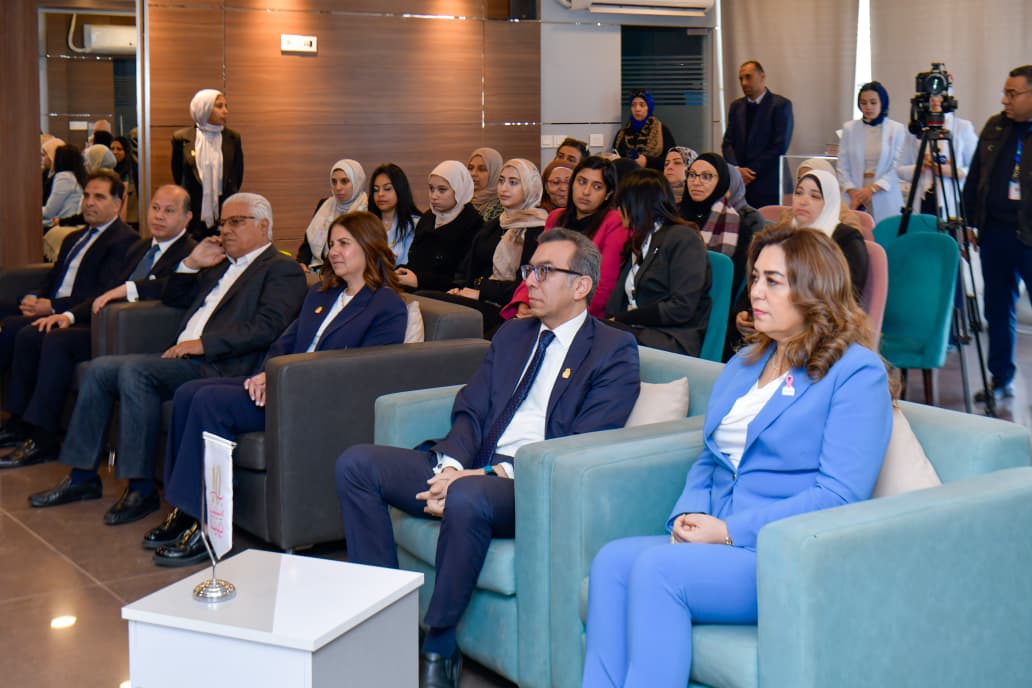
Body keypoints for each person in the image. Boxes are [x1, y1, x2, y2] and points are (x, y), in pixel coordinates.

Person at [582, 224, 893, 688]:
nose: (756, 292)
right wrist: (688, 514)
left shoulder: (855, 371)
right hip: (719, 537)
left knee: (657, 571)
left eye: (773, 281)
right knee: (611, 562)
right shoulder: (745, 363)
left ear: (814, 289)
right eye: (756, 278)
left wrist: (729, 532)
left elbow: (840, 494)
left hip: (779, 551)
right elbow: (711, 458)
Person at [336, 228, 641, 688]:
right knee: (357, 465)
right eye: (530, 269)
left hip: (528, 482)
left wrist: (483, 474)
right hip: (473, 466)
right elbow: (472, 408)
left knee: (469, 496)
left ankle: (439, 643)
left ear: (581, 286)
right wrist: (451, 467)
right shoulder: (513, 334)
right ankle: (385, 620)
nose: (529, 281)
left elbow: (583, 441)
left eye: (544, 272)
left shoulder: (612, 350)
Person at [26, 193, 307, 525]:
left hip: (219, 365)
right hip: (180, 356)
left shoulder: (281, 269)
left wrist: (203, 344)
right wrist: (191, 264)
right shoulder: (220, 263)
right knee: (98, 370)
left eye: (236, 222)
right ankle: (81, 477)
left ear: (263, 226)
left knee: (136, 372)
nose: (226, 230)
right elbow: (174, 296)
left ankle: (140, 488)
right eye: (223, 223)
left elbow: (268, 326)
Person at [149, 210, 408, 566]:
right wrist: (266, 374)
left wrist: (284, 379)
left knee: (209, 401)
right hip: (281, 384)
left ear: (369, 246)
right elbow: (285, 342)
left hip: (313, 399)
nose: (334, 252)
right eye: (332, 244)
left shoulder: (386, 305)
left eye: (344, 244)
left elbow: (362, 371)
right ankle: (185, 508)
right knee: (187, 393)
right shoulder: (322, 292)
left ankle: (207, 526)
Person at [0, 185, 196, 468]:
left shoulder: (189, 254)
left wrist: (125, 292)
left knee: (58, 341)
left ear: (187, 217)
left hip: (135, 334)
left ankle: (43, 439)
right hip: (103, 324)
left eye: (169, 211)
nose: (159, 216)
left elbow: (170, 291)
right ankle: (22, 424)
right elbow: (105, 291)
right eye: (155, 208)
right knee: (40, 332)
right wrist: (68, 316)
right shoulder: (141, 247)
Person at [963, 64, 1032, 401]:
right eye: (1005, 93)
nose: (1005, 100)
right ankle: (1000, 377)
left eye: (1012, 93)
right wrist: (969, 222)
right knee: (997, 308)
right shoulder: (995, 126)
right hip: (996, 234)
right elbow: (976, 176)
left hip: (1029, 237)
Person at [421, 158, 548, 335]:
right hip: (478, 299)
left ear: (530, 187)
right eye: (501, 181)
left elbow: (529, 285)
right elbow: (467, 269)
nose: (504, 188)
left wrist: (482, 291)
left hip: (506, 308)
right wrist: (460, 289)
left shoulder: (539, 231)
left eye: (513, 183)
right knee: (424, 301)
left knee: (425, 299)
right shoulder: (493, 226)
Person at [502, 156, 630, 320]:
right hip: (543, 304)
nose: (586, 192)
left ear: (608, 194)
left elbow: (603, 284)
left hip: (580, 314)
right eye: (581, 182)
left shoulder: (614, 222)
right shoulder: (556, 217)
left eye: (597, 186)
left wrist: (556, 314)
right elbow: (537, 267)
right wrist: (525, 302)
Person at [7, 169, 136, 325]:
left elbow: (102, 291)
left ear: (117, 205)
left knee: (15, 327)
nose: (89, 203)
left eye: (99, 197)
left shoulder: (124, 239)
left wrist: (53, 307)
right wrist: (33, 297)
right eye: (86, 196)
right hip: (48, 306)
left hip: (77, 315)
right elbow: (52, 278)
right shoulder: (73, 238)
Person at [606, 168, 711, 355]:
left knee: (594, 336)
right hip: (635, 332)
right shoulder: (639, 242)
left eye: (621, 203)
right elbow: (616, 303)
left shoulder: (683, 238)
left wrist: (624, 319)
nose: (618, 210)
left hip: (670, 338)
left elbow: (682, 308)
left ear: (636, 204)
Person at [396, 161, 482, 292]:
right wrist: (402, 271)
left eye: (442, 190)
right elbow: (415, 261)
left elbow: (461, 279)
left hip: (444, 295)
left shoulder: (473, 224)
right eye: (431, 189)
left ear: (459, 190)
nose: (434, 196)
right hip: (415, 289)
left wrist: (419, 280)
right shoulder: (428, 217)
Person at [172, 88, 244, 239]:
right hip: (193, 217)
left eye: (226, 106)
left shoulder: (233, 138)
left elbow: (237, 176)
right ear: (203, 108)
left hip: (224, 215)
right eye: (219, 106)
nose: (225, 111)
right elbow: (178, 175)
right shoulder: (181, 138)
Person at [721, 60, 794, 208]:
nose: (744, 82)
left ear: (762, 77)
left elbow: (779, 146)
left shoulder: (780, 105)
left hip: (768, 183)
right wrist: (737, 170)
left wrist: (749, 172)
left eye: (748, 77)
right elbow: (727, 143)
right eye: (741, 79)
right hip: (739, 185)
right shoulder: (736, 106)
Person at [897, 92, 979, 220]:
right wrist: (920, 167)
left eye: (939, 96)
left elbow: (978, 168)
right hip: (922, 199)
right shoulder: (917, 129)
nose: (935, 101)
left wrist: (955, 172)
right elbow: (900, 169)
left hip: (950, 202)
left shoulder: (962, 127)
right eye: (931, 97)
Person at [837, 81, 907, 223]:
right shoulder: (849, 128)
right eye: (864, 103)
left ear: (882, 103)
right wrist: (853, 191)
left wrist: (872, 189)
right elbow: (842, 165)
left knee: (884, 232)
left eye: (873, 102)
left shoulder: (896, 129)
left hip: (884, 193)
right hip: (854, 193)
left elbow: (898, 166)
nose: (868, 107)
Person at [297, 159, 368, 271]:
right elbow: (308, 243)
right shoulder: (324, 205)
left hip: (351, 272)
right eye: (334, 182)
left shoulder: (368, 209)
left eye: (344, 181)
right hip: (316, 270)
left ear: (357, 182)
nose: (338, 187)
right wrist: (302, 263)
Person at [368, 162, 421, 265]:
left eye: (387, 189)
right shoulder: (366, 224)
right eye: (376, 190)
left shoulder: (415, 224)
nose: (380, 194)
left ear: (400, 189)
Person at [612, 89, 676, 172]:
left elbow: (673, 160)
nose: (637, 109)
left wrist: (648, 161)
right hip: (626, 178)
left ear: (649, 107)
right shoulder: (623, 133)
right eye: (633, 105)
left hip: (653, 177)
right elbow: (615, 156)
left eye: (642, 105)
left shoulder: (661, 130)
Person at [42, 144, 85, 225]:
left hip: (62, 224)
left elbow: (49, 212)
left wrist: (31, 210)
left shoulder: (64, 177)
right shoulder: (77, 176)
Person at [467, 147, 504, 222]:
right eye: (470, 168)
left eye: (482, 169)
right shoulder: (462, 201)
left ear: (495, 173)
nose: (473, 173)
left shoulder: (502, 208)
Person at [111, 135, 139, 229]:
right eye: (112, 149)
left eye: (119, 149)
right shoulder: (109, 170)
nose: (115, 152)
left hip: (130, 218)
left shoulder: (133, 169)